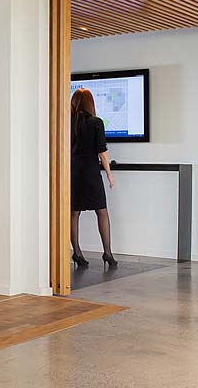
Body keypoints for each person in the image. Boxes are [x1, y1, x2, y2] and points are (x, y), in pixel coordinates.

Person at [70, 88, 117, 269]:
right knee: (102, 211)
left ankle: (78, 252)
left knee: (74, 213)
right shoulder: (96, 122)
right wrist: (109, 174)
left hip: (72, 171)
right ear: (91, 103)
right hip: (90, 172)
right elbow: (102, 153)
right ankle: (107, 253)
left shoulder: (67, 121)